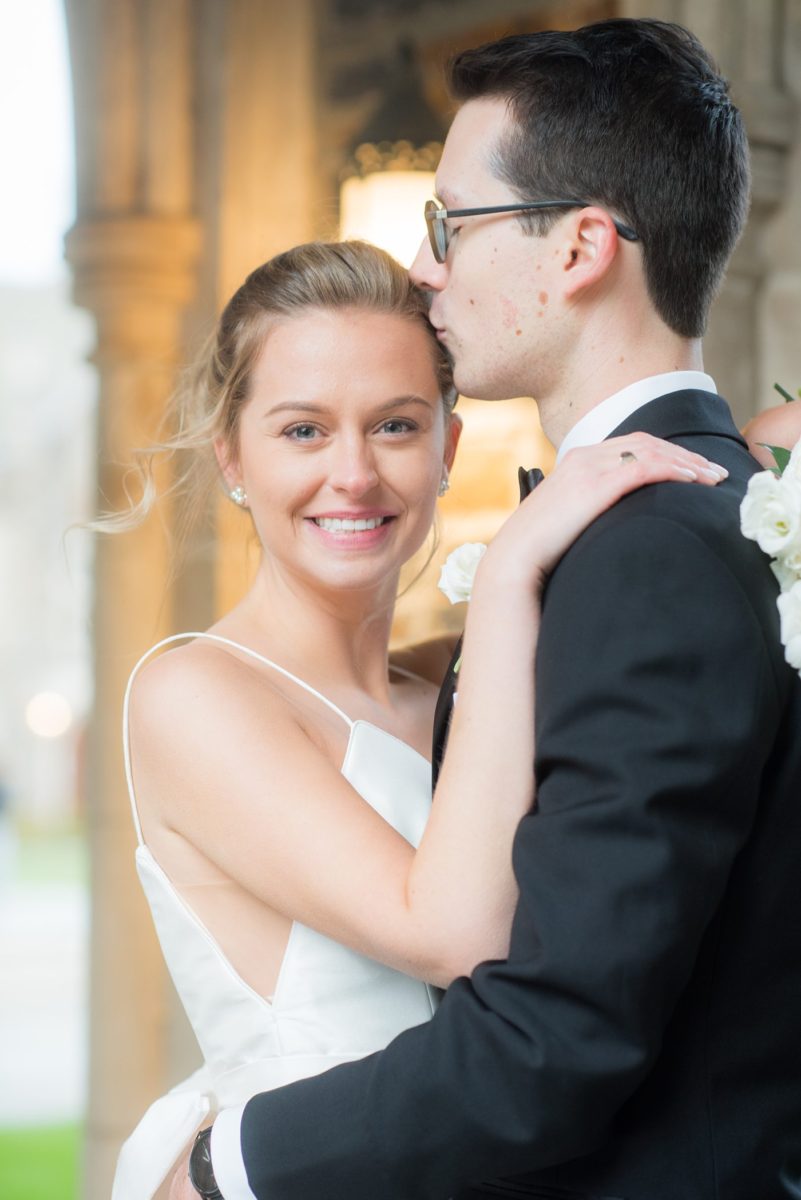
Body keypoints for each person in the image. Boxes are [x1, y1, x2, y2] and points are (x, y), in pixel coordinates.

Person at [178, 18, 801, 1200]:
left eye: (449, 226)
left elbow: (553, 1041)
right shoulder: (726, 510)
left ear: (578, 248)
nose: (427, 267)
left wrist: (228, 1162)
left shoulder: (647, 555)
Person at [111, 239, 717, 1200]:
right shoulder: (194, 694)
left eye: (393, 425)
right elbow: (453, 932)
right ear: (230, 453)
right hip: (302, 1173)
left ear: (447, 448)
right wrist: (513, 566)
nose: (352, 474)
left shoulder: (452, 685)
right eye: (302, 431)